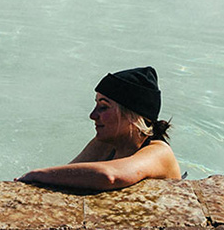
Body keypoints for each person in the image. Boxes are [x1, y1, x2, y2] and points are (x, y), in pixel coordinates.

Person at [19, 66, 179, 191]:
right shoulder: (106, 143)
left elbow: (110, 176)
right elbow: (69, 173)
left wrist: (38, 174)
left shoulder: (159, 153)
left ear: (132, 116)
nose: (93, 115)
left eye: (104, 107)